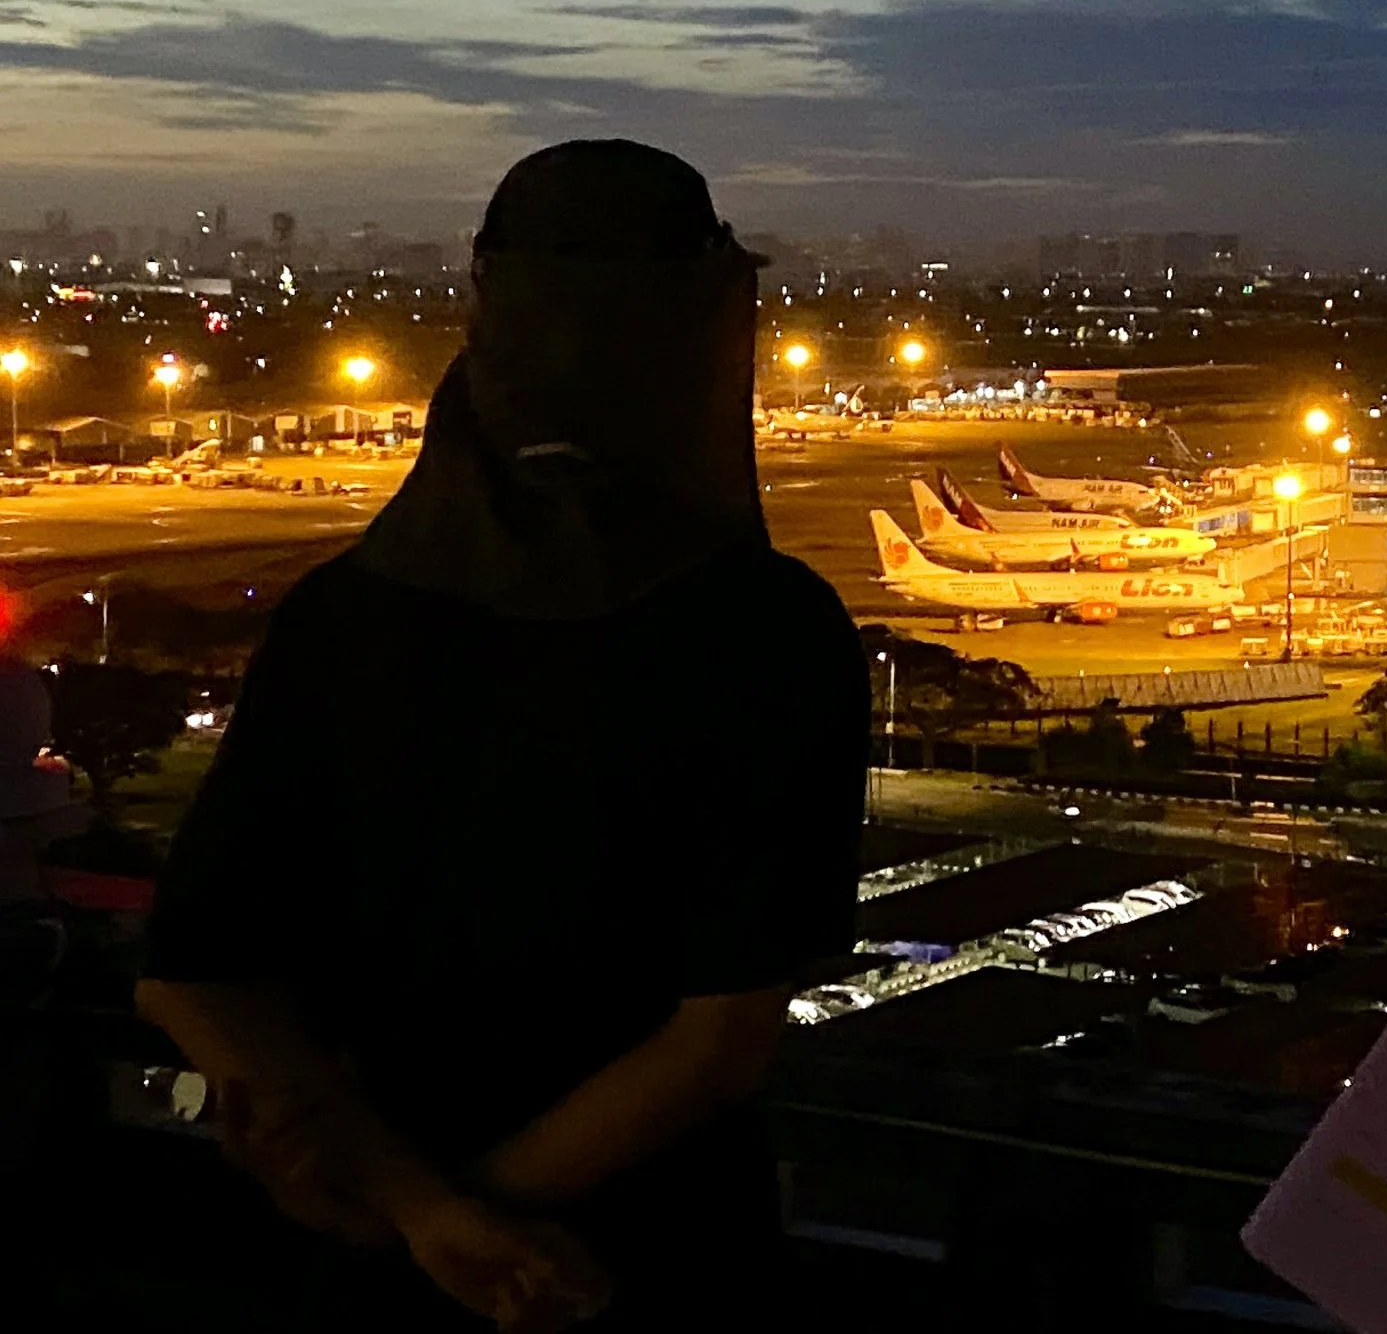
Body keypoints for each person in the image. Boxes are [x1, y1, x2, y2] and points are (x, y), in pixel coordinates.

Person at [136, 140, 870, 1332]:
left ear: (484, 324)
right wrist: (477, 1219)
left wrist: (411, 1206)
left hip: (355, 1250)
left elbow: (192, 974)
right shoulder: (768, 632)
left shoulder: (342, 612)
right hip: (629, 1262)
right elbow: (718, 1044)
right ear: (701, 337)